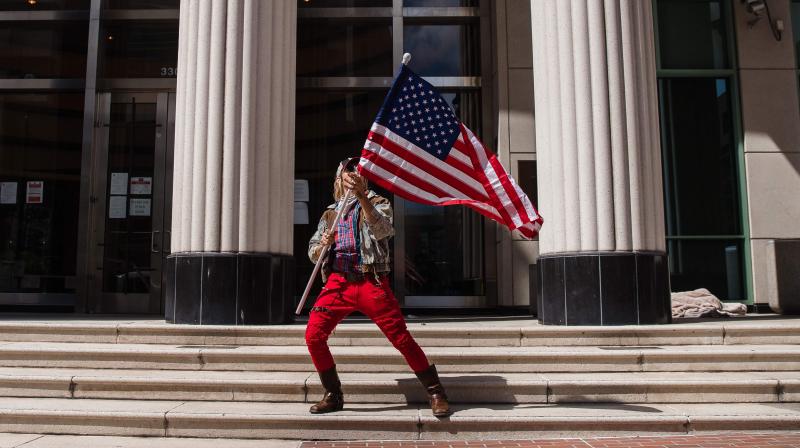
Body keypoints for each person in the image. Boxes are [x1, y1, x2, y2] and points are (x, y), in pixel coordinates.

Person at [305, 156, 451, 417]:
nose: (350, 179)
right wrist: (322, 246)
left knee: (400, 337)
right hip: (339, 283)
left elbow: (384, 231)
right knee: (313, 336)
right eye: (346, 175)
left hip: (370, 280)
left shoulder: (378, 203)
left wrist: (362, 198)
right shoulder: (330, 212)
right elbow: (313, 252)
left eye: (355, 175)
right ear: (338, 181)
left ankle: (436, 391)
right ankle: (333, 394)